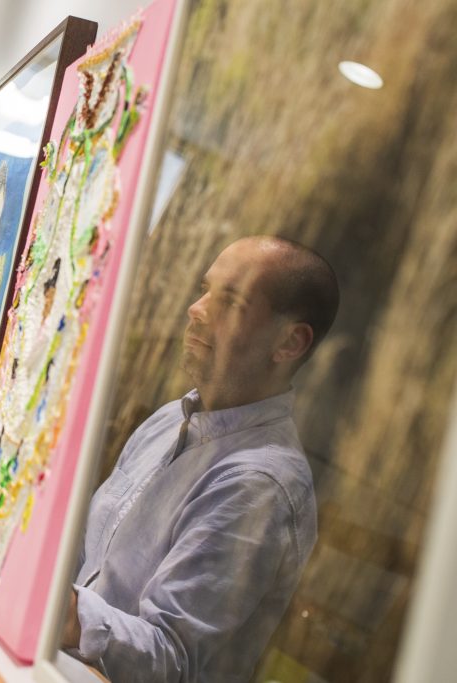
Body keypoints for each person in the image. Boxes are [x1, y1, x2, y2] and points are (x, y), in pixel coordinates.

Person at [62, 236, 339, 682]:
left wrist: (66, 612)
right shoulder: (169, 418)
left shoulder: (261, 484)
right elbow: (84, 560)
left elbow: (172, 661)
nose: (196, 308)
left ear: (290, 342)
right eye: (205, 289)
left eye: (229, 300)